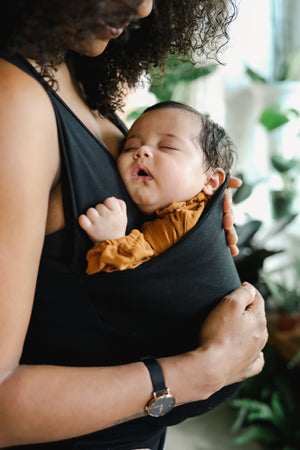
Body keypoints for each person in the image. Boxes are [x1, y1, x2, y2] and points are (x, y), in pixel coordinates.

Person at [0, 1, 267, 449]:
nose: (143, 5)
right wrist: (203, 371)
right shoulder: (14, 102)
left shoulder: (79, 72)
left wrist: (192, 202)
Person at [78, 100, 236, 273]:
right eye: (130, 147)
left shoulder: (183, 221)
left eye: (167, 146)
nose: (142, 151)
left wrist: (111, 238)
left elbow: (138, 270)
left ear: (211, 182)